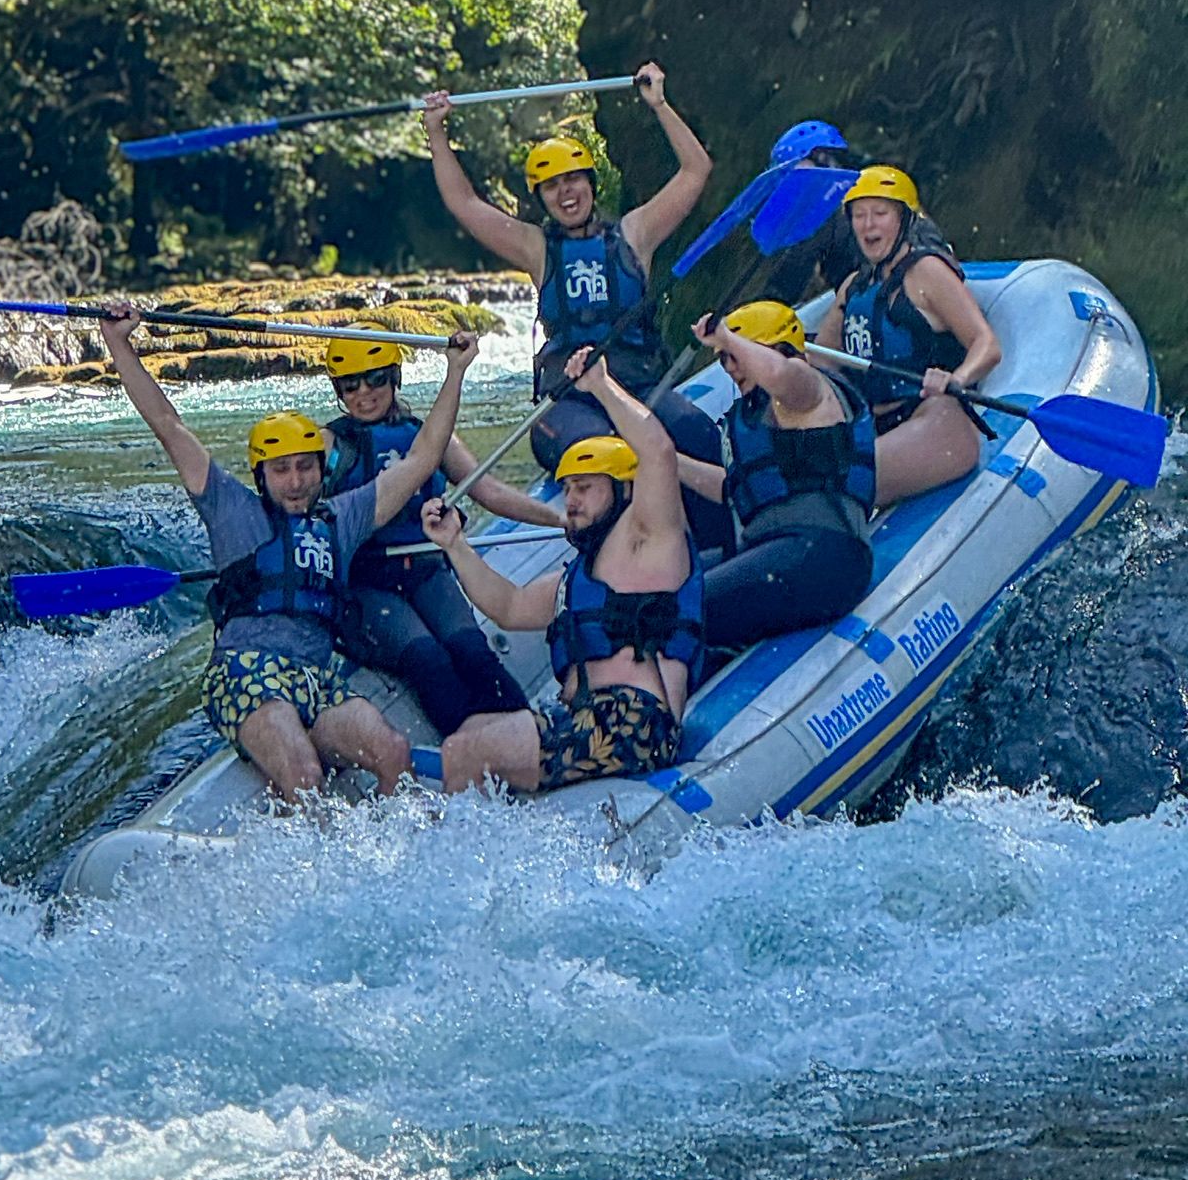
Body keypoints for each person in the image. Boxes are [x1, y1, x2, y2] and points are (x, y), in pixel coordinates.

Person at [96, 307, 480, 803]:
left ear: (323, 470)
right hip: (245, 672)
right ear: (261, 475)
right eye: (281, 470)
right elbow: (167, 425)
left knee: (393, 752)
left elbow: (424, 456)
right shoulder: (230, 509)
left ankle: (391, 858)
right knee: (302, 774)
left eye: (305, 467)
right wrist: (119, 343)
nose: (295, 481)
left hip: (315, 678)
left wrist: (456, 372)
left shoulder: (344, 518)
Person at [419, 347, 702, 794]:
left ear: (625, 490)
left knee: (464, 753)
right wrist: (455, 545)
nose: (571, 502)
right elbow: (508, 607)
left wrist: (601, 386)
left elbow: (659, 453)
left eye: (585, 489)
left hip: (633, 724)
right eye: (568, 489)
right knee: (472, 728)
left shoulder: (651, 544)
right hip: (582, 718)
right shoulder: (581, 577)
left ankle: (458, 858)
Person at [421, 61, 716, 479]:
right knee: (600, 457)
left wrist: (660, 104)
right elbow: (463, 203)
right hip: (573, 400)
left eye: (573, 179)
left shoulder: (636, 233)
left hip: (641, 387)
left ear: (591, 184)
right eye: (552, 186)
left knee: (699, 435)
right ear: (540, 197)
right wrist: (436, 131)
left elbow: (696, 170)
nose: (566, 193)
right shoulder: (535, 248)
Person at [318, 334, 559, 735]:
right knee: (429, 660)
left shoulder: (428, 435)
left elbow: (491, 492)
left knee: (472, 651)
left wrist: (560, 521)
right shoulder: (327, 445)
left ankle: (531, 738)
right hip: (368, 585)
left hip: (426, 570)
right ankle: (472, 746)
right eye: (350, 384)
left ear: (394, 378)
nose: (364, 393)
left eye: (375, 378)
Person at [672, 302, 878, 652]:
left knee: (680, 611)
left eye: (735, 355)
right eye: (723, 360)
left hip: (827, 555)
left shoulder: (806, 388)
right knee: (656, 595)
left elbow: (782, 375)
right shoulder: (755, 412)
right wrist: (664, 458)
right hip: (774, 550)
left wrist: (726, 337)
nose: (730, 367)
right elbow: (732, 487)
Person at [813, 166, 1002, 504]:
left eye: (879, 213)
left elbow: (986, 345)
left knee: (840, 479)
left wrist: (957, 378)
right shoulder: (853, 288)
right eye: (859, 215)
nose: (868, 225)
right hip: (876, 425)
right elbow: (818, 363)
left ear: (904, 220)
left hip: (937, 418)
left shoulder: (927, 272)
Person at [762, 120, 865, 305]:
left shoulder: (831, 213)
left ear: (827, 163)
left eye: (798, 179)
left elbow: (782, 290)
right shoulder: (822, 215)